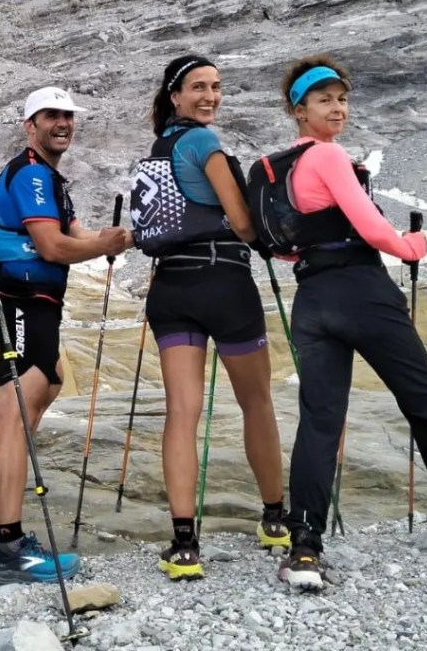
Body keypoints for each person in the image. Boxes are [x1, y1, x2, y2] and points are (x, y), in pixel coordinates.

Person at [273, 55, 427, 590]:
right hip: (362, 292)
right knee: (421, 403)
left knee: (320, 421)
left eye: (342, 98)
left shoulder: (284, 170)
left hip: (312, 298)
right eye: (324, 99)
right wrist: (413, 246)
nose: (338, 108)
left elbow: (284, 246)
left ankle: (304, 549)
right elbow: (373, 228)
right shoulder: (328, 155)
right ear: (300, 110)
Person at [135, 55, 288, 581]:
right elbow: (242, 223)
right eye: (199, 87)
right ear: (175, 95)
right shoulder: (202, 142)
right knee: (256, 402)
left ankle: (184, 546)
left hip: (171, 288)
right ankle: (275, 519)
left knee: (182, 412)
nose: (210, 97)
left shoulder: (158, 149)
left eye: (216, 87)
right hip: (224, 281)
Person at [0, 86, 131, 585]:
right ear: (31, 125)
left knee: (48, 381)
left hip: (34, 301)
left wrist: (122, 238)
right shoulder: (32, 173)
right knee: (18, 405)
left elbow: (76, 234)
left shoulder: (48, 177)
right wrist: (100, 247)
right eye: (51, 116)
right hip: (21, 299)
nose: (62, 123)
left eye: (68, 115)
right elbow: (52, 247)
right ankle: (9, 549)